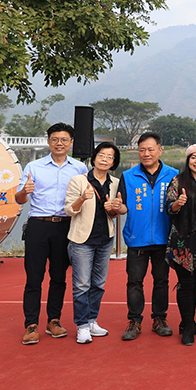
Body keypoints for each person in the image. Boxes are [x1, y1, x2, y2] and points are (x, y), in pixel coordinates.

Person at [16, 122, 88, 345]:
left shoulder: (79, 168)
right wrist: (24, 192)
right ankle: (31, 324)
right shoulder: (34, 167)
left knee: (59, 277)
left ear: (71, 143)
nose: (59, 143)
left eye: (64, 140)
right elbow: (19, 199)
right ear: (48, 142)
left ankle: (53, 321)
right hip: (38, 225)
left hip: (66, 226)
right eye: (55, 139)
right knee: (34, 277)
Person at [119, 132, 179, 341]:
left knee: (161, 281)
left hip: (164, 238)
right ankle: (135, 321)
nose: (146, 154)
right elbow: (124, 205)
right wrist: (118, 208)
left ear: (160, 150)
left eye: (151, 149)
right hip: (137, 238)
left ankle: (159, 319)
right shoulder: (128, 176)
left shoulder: (174, 175)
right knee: (134, 282)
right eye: (142, 150)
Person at [64, 142, 124, 344]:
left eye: (110, 157)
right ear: (94, 157)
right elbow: (69, 211)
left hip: (105, 239)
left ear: (114, 162)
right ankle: (81, 326)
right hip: (82, 240)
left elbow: (116, 212)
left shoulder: (115, 182)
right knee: (81, 285)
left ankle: (92, 320)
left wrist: (114, 208)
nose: (105, 159)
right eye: (102, 155)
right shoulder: (78, 181)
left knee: (98, 284)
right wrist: (82, 198)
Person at [165, 144, 196, 346]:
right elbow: (168, 207)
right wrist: (178, 203)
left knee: (195, 282)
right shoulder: (178, 180)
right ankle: (186, 326)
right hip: (181, 240)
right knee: (185, 284)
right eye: (193, 157)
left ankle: (190, 321)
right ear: (188, 160)